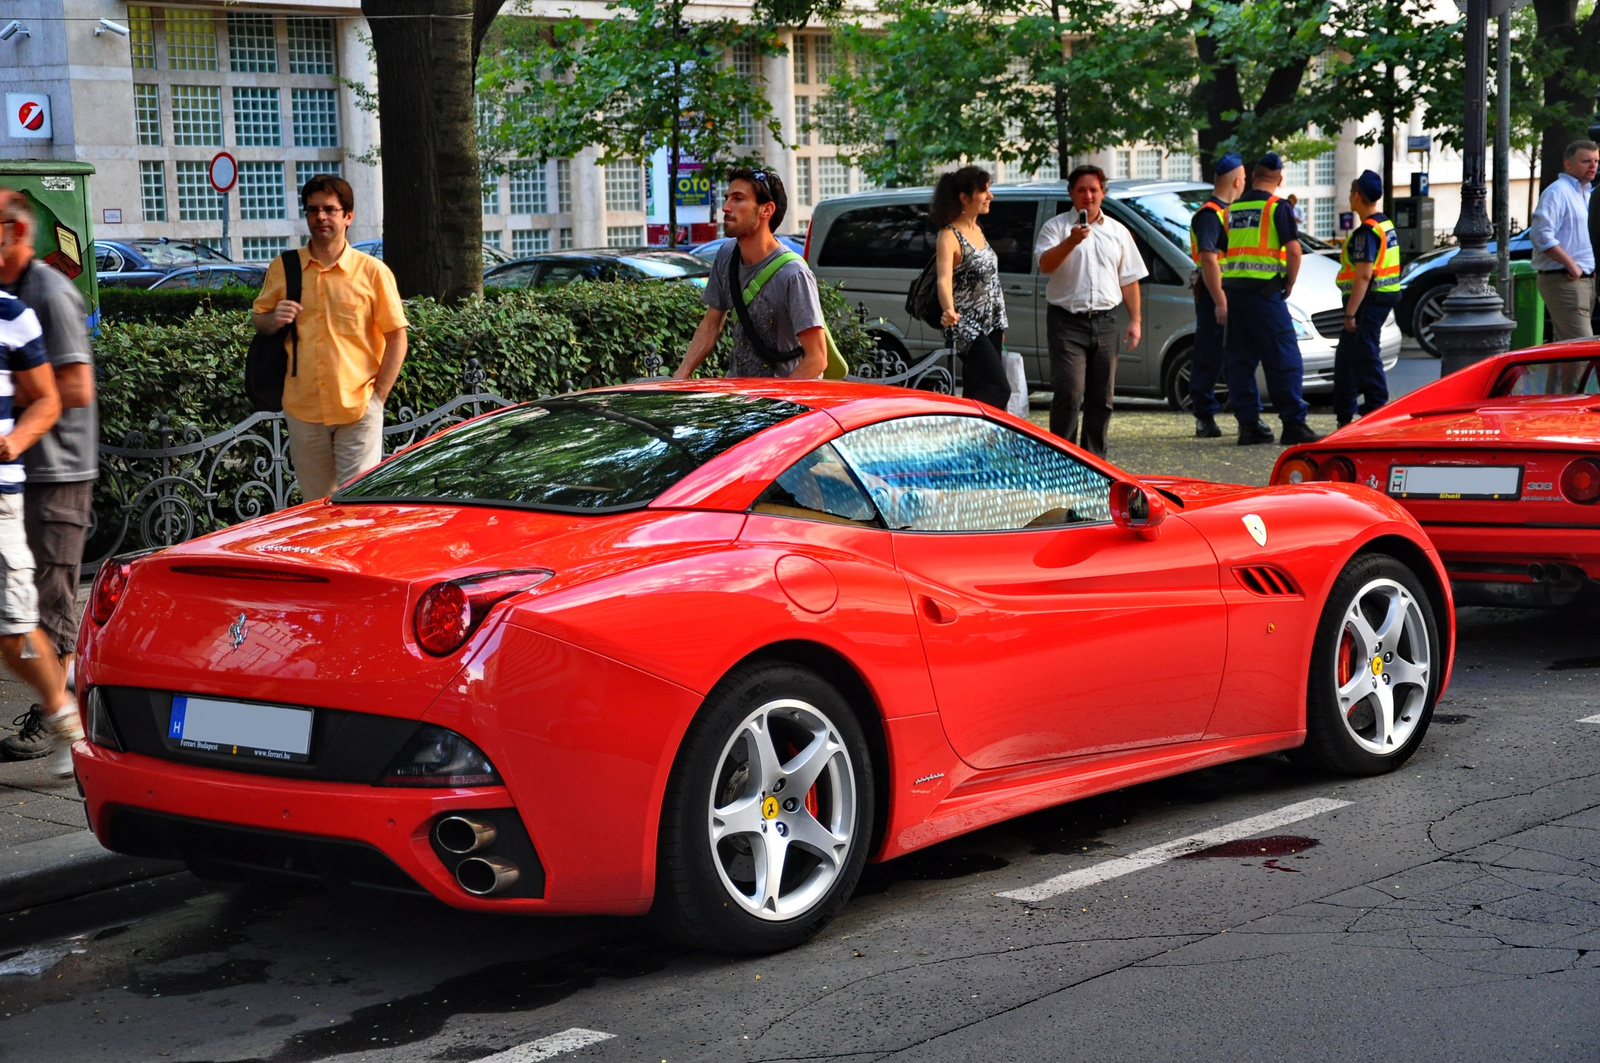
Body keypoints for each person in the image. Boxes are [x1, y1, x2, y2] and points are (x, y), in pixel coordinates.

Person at [0, 191, 96, 765]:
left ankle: (66, 729)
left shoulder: (49, 293)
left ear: (16, 233)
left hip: (57, 470)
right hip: (23, 470)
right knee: (23, 609)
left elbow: (76, 389)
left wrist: (19, 420)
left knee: (51, 601)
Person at [252, 175, 408, 501]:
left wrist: (377, 399)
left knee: (358, 507)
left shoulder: (373, 272)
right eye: (313, 210)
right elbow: (260, 320)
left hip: (359, 410)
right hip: (303, 410)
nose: (320, 217)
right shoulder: (284, 267)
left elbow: (396, 337)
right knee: (316, 508)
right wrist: (271, 319)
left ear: (347, 216)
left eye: (329, 209)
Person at [0, 286, 73, 774]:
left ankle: (67, 718)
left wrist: (14, 441)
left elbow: (49, 398)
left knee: (13, 628)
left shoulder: (11, 312)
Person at [1036, 165, 1147, 457]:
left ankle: (1095, 461)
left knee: (1103, 397)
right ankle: (1062, 459)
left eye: (1094, 190)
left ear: (1103, 193)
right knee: (1069, 392)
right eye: (1081, 190)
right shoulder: (1056, 227)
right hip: (1066, 321)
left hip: (1106, 321)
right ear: (1071, 193)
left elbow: (1130, 279)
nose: (1088, 196)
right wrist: (1071, 241)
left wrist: (1135, 320)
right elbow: (1045, 265)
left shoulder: (1118, 231)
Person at [675, 168, 827, 380]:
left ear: (767, 210)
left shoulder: (794, 274)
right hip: (740, 399)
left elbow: (817, 358)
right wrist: (680, 377)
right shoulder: (726, 255)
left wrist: (774, 405)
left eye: (738, 199)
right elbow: (710, 325)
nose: (726, 207)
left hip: (781, 404)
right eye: (727, 198)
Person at [1220, 153, 1319, 447]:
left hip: (1236, 295)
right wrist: (1289, 282)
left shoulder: (1233, 209)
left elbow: (1226, 250)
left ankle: (1249, 426)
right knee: (1284, 359)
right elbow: (1294, 251)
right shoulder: (1278, 207)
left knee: (1240, 361)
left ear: (1253, 176)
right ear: (1280, 179)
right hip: (1265, 295)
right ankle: (1293, 424)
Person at [930, 166, 1010, 410]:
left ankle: (977, 441)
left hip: (992, 323)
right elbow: (943, 278)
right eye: (984, 190)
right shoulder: (948, 235)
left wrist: (1000, 324)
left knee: (978, 389)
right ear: (964, 198)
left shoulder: (978, 230)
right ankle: (979, 435)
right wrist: (949, 310)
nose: (990, 196)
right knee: (998, 388)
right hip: (967, 325)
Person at [1333, 170, 1400, 427]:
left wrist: (1350, 313)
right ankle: (1346, 414)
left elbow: (1363, 276)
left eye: (1351, 193)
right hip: (1382, 296)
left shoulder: (1367, 233)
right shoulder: (1386, 225)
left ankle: (1375, 408)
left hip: (1368, 300)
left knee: (1364, 351)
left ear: (1357, 196)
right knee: (1349, 356)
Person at [1189, 153, 1246, 438]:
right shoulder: (1210, 215)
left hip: (1228, 293)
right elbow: (1209, 260)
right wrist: (1221, 301)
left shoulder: (1229, 212)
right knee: (1209, 356)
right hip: (1216, 295)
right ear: (1238, 181)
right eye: (1244, 178)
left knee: (1229, 357)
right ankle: (1204, 416)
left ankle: (1227, 412)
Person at [1530, 139, 1599, 341]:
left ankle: (1560, 375)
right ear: (1568, 164)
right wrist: (1572, 265)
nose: (1593, 166)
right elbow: (1541, 235)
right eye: (1586, 161)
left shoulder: (1586, 194)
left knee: (1568, 351)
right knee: (1582, 348)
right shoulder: (1557, 192)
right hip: (1565, 279)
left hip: (1585, 279)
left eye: (1596, 161)